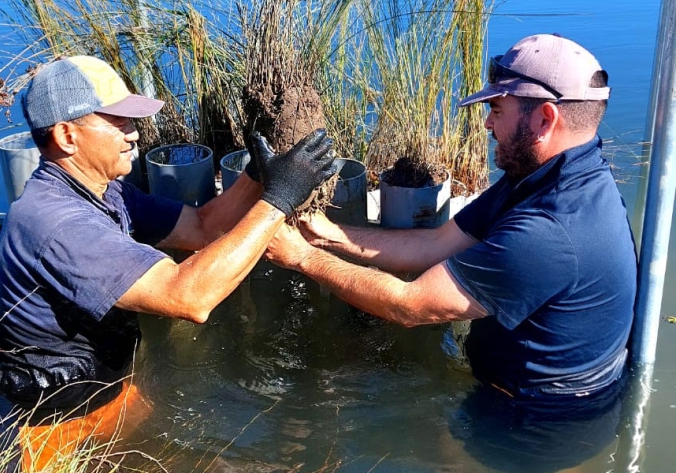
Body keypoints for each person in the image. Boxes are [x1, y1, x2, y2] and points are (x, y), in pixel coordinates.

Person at [0, 55, 335, 471]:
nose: (134, 135)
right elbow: (189, 297)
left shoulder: (104, 191)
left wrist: (257, 177)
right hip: (53, 424)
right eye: (118, 122)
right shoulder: (57, 223)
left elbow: (201, 228)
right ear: (66, 135)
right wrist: (280, 198)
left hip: (106, 389)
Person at [266, 34, 637, 401]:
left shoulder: (550, 232)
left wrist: (301, 257)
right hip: (513, 387)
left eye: (497, 110)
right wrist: (328, 235)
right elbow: (437, 243)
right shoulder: (547, 177)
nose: (488, 126)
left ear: (544, 118)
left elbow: (409, 304)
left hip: (537, 420)